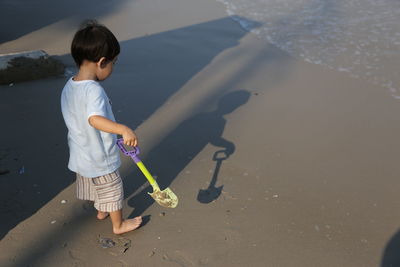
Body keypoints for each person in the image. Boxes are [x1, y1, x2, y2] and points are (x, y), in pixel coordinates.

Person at [61, 20, 142, 234]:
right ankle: (119, 224)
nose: (113, 68)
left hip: (81, 151)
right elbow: (94, 119)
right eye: (113, 63)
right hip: (98, 154)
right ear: (102, 62)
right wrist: (122, 129)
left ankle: (101, 209)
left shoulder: (70, 85)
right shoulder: (93, 90)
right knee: (113, 187)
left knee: (95, 184)